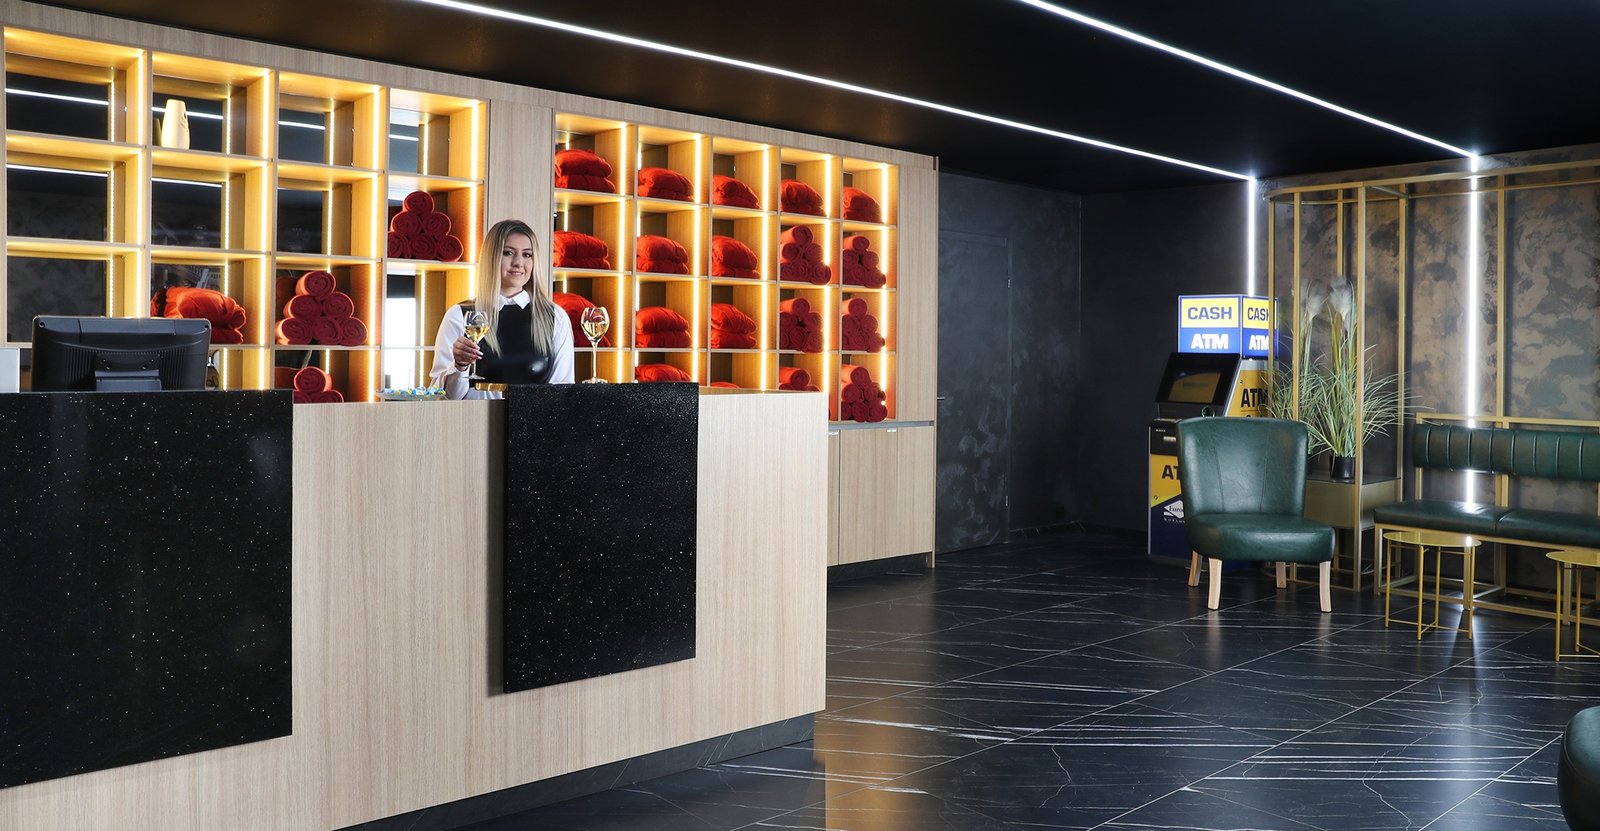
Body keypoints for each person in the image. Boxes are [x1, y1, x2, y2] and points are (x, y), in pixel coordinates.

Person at [431, 219, 574, 398]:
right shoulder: (459, 315)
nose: (518, 263)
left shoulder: (554, 317)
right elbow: (444, 397)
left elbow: (562, 392)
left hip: (532, 417)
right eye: (508, 253)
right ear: (491, 258)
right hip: (473, 416)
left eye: (527, 255)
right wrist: (459, 366)